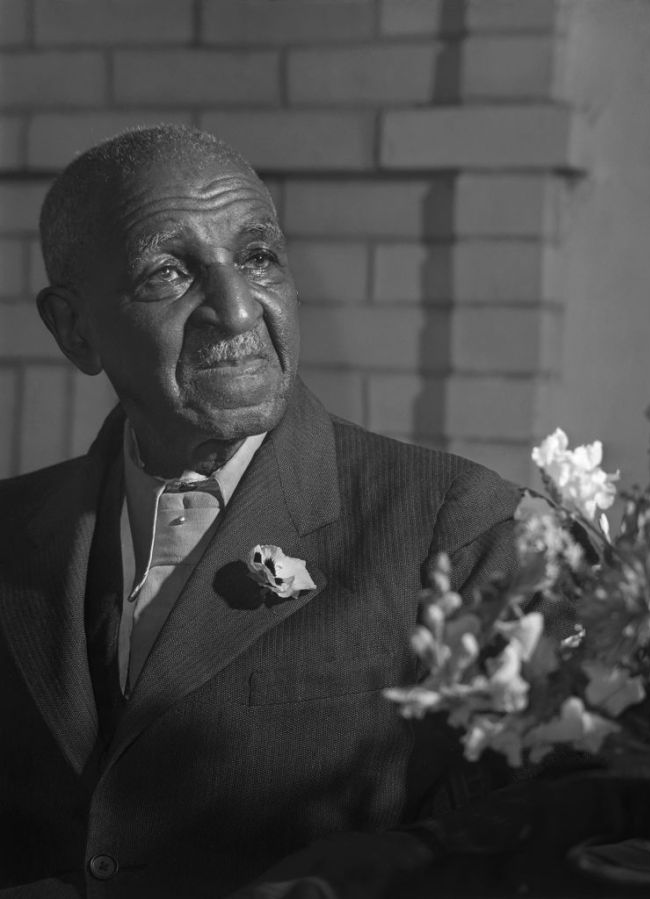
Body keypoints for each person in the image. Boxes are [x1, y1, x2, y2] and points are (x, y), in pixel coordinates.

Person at [0, 125, 520, 899]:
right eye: (169, 272)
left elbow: (541, 820)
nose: (238, 311)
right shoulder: (13, 531)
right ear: (74, 328)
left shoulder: (448, 524)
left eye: (257, 257)